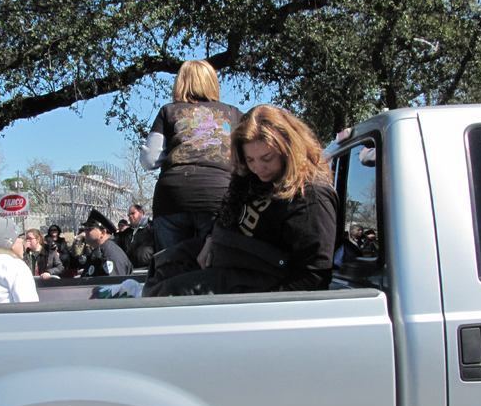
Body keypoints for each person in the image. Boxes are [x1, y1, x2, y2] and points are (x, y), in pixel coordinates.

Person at [143, 105, 338, 297]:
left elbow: (314, 276)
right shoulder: (250, 179)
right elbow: (228, 214)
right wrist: (211, 239)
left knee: (172, 293)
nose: (258, 167)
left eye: (267, 158)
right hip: (232, 254)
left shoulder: (311, 196)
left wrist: (263, 307)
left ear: (288, 150)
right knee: (165, 263)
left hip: (264, 279)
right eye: (250, 159)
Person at [140, 59, 244, 251]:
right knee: (215, 266)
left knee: (172, 268)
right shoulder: (233, 114)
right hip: (219, 197)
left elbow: (149, 160)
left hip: (173, 198)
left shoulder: (168, 111)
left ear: (180, 82)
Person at [78, 209, 133, 277]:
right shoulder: (98, 252)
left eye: (89, 228)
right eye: (85, 228)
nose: (85, 231)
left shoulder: (110, 255)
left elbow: (113, 285)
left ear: (103, 232)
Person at [117, 204, 155, 268]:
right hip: (129, 269)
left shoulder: (151, 228)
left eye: (132, 213)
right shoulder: (127, 232)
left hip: (147, 269)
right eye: (129, 215)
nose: (130, 216)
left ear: (141, 214)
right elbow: (116, 242)